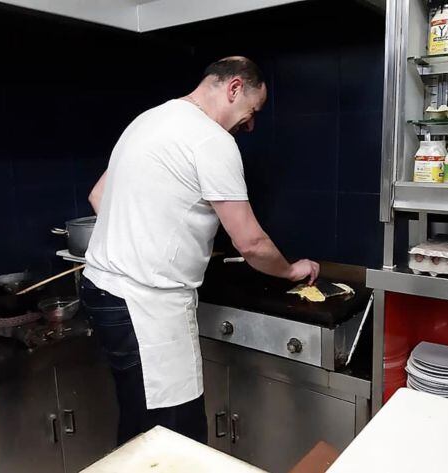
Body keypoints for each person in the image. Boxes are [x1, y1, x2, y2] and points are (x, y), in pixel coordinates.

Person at [81, 56, 320, 446]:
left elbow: (99, 195)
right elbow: (251, 243)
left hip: (103, 292)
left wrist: (149, 234)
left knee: (139, 420)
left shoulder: (148, 120)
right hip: (145, 306)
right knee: (175, 436)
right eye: (252, 110)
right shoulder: (212, 140)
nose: (251, 123)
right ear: (234, 88)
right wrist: (292, 271)